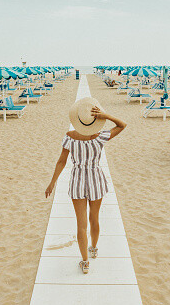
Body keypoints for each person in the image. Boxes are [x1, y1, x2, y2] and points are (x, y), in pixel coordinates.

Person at [45, 98, 127, 274]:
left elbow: (62, 161)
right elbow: (122, 125)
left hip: (78, 180)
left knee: (81, 224)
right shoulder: (100, 137)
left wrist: (52, 182)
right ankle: (94, 248)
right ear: (94, 120)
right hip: (96, 178)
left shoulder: (70, 137)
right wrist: (106, 115)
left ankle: (85, 261)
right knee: (94, 218)